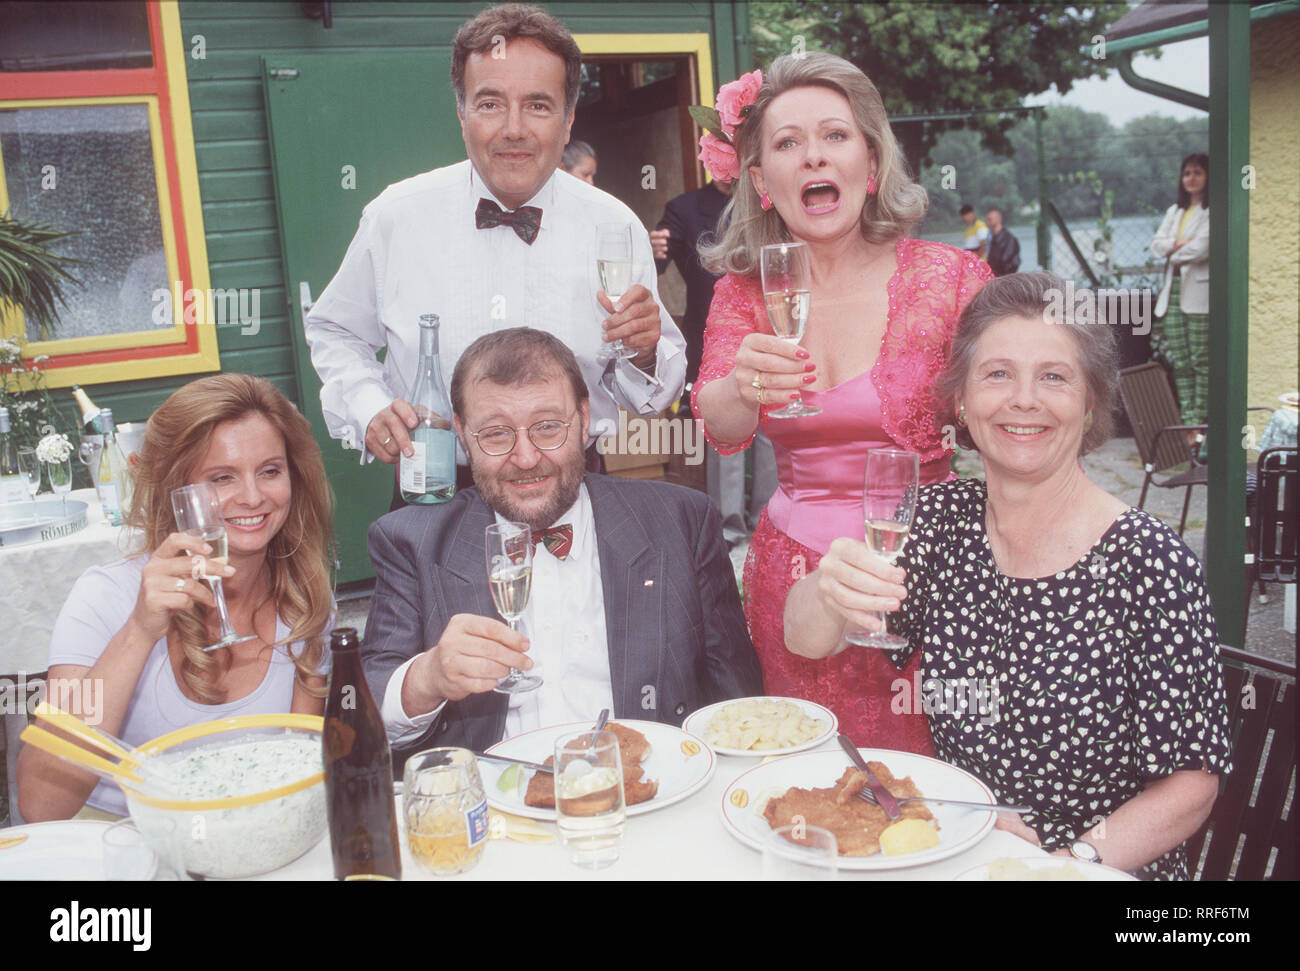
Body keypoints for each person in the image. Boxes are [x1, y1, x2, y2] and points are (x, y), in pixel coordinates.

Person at [784, 273, 1232, 880]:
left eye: (1054, 376)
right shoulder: (940, 520)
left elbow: (1193, 785)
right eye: (997, 374)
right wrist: (828, 587)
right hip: (968, 855)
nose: (1025, 399)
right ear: (962, 401)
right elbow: (806, 639)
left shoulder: (1150, 561)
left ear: (1092, 401)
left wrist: (1061, 864)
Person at [692, 53, 992, 752]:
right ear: (762, 180)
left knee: (930, 778)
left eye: (835, 135)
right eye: (788, 143)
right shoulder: (744, 292)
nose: (813, 156)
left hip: (921, 572)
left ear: (872, 160)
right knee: (808, 770)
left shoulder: (950, 278)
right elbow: (718, 423)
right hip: (792, 575)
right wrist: (742, 384)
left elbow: (1003, 415)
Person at [304, 3, 685, 484]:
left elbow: (651, 396)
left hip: (576, 489)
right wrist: (368, 405)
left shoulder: (615, 226)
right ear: (461, 113)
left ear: (568, 120)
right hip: (435, 486)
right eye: (490, 104)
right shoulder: (395, 216)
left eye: (538, 105)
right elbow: (337, 331)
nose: (514, 129)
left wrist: (645, 352)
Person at [361, 328, 761, 758]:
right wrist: (426, 678)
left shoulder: (680, 522)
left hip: (648, 791)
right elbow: (362, 707)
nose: (527, 457)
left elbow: (739, 706)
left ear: (584, 418)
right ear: (462, 434)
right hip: (494, 808)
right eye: (496, 434)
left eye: (548, 427)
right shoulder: (412, 541)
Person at [17, 374, 335, 821]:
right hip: (122, 838)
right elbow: (41, 804)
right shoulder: (105, 597)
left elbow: (300, 771)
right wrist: (140, 632)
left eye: (270, 470)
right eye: (222, 477)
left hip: (249, 830)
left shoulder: (304, 601)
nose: (252, 496)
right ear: (177, 492)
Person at [650, 180, 777, 548]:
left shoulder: (771, 197)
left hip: (773, 321)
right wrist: (654, 250)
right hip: (712, 331)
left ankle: (766, 521)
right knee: (726, 428)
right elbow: (658, 263)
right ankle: (729, 527)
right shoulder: (684, 205)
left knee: (772, 422)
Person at [1151, 153, 1210, 441]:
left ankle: (1200, 422)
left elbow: (1202, 249)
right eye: (1187, 173)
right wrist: (1178, 244)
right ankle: (1188, 423)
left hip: (1199, 295)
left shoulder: (1213, 211)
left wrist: (1173, 250)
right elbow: (1155, 245)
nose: (1191, 178)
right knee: (1181, 361)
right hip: (1171, 292)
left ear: (1208, 176)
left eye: (1198, 172)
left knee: (1201, 360)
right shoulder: (1175, 211)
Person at [985, 207, 1020, 277]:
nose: (987, 222)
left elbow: (1011, 262)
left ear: (998, 219)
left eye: (990, 219)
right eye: (987, 219)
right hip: (993, 275)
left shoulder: (1009, 238)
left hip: (1004, 277)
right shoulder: (991, 237)